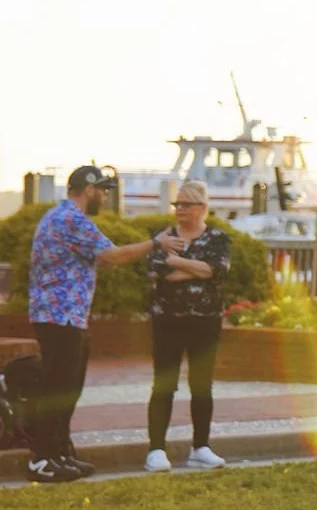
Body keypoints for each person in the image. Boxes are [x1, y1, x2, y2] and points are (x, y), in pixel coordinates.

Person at [23, 166, 157, 482]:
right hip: (59, 317)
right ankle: (41, 459)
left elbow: (97, 259)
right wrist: (156, 244)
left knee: (68, 389)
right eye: (103, 191)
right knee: (57, 388)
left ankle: (59, 454)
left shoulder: (65, 218)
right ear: (88, 189)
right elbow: (114, 256)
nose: (106, 197)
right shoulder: (70, 219)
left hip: (68, 317)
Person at [143, 180, 233, 473]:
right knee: (164, 385)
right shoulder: (164, 238)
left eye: (186, 204)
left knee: (202, 385)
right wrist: (197, 269)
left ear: (202, 208)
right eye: (177, 204)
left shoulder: (218, 238)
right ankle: (156, 450)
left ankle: (201, 447)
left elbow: (217, 270)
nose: (179, 209)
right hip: (167, 321)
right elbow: (159, 273)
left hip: (205, 322)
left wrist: (176, 263)